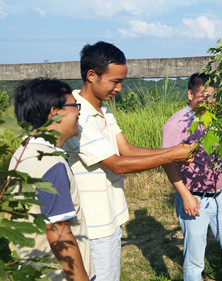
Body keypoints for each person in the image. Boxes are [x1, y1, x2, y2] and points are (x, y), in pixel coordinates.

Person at [64, 41, 195, 281]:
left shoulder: (103, 110)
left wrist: (175, 151)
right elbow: (116, 164)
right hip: (93, 224)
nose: (120, 88)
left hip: (111, 214)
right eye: (115, 81)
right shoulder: (76, 115)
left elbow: (127, 149)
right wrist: (171, 155)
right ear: (91, 75)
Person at [11, 78, 95, 280]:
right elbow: (59, 233)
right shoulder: (52, 165)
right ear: (54, 112)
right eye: (74, 105)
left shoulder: (23, 152)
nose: (78, 111)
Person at [162, 73, 222, 281]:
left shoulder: (212, 119)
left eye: (213, 97)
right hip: (194, 198)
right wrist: (186, 195)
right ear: (190, 94)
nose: (211, 101)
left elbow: (218, 152)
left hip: (219, 197)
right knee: (195, 260)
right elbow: (168, 161)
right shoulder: (176, 123)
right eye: (205, 96)